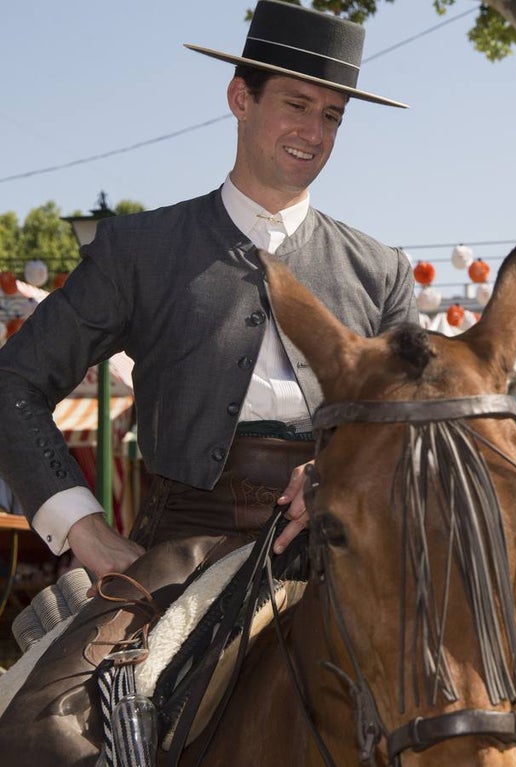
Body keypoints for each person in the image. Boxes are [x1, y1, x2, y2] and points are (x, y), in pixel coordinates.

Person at [0, 2, 417, 761]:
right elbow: (14, 382)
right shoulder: (140, 248)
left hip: (344, 545)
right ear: (240, 98)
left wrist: (333, 472)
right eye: (295, 104)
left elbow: (408, 430)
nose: (314, 133)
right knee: (38, 729)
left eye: (332, 116)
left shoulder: (381, 272)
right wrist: (81, 524)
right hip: (178, 544)